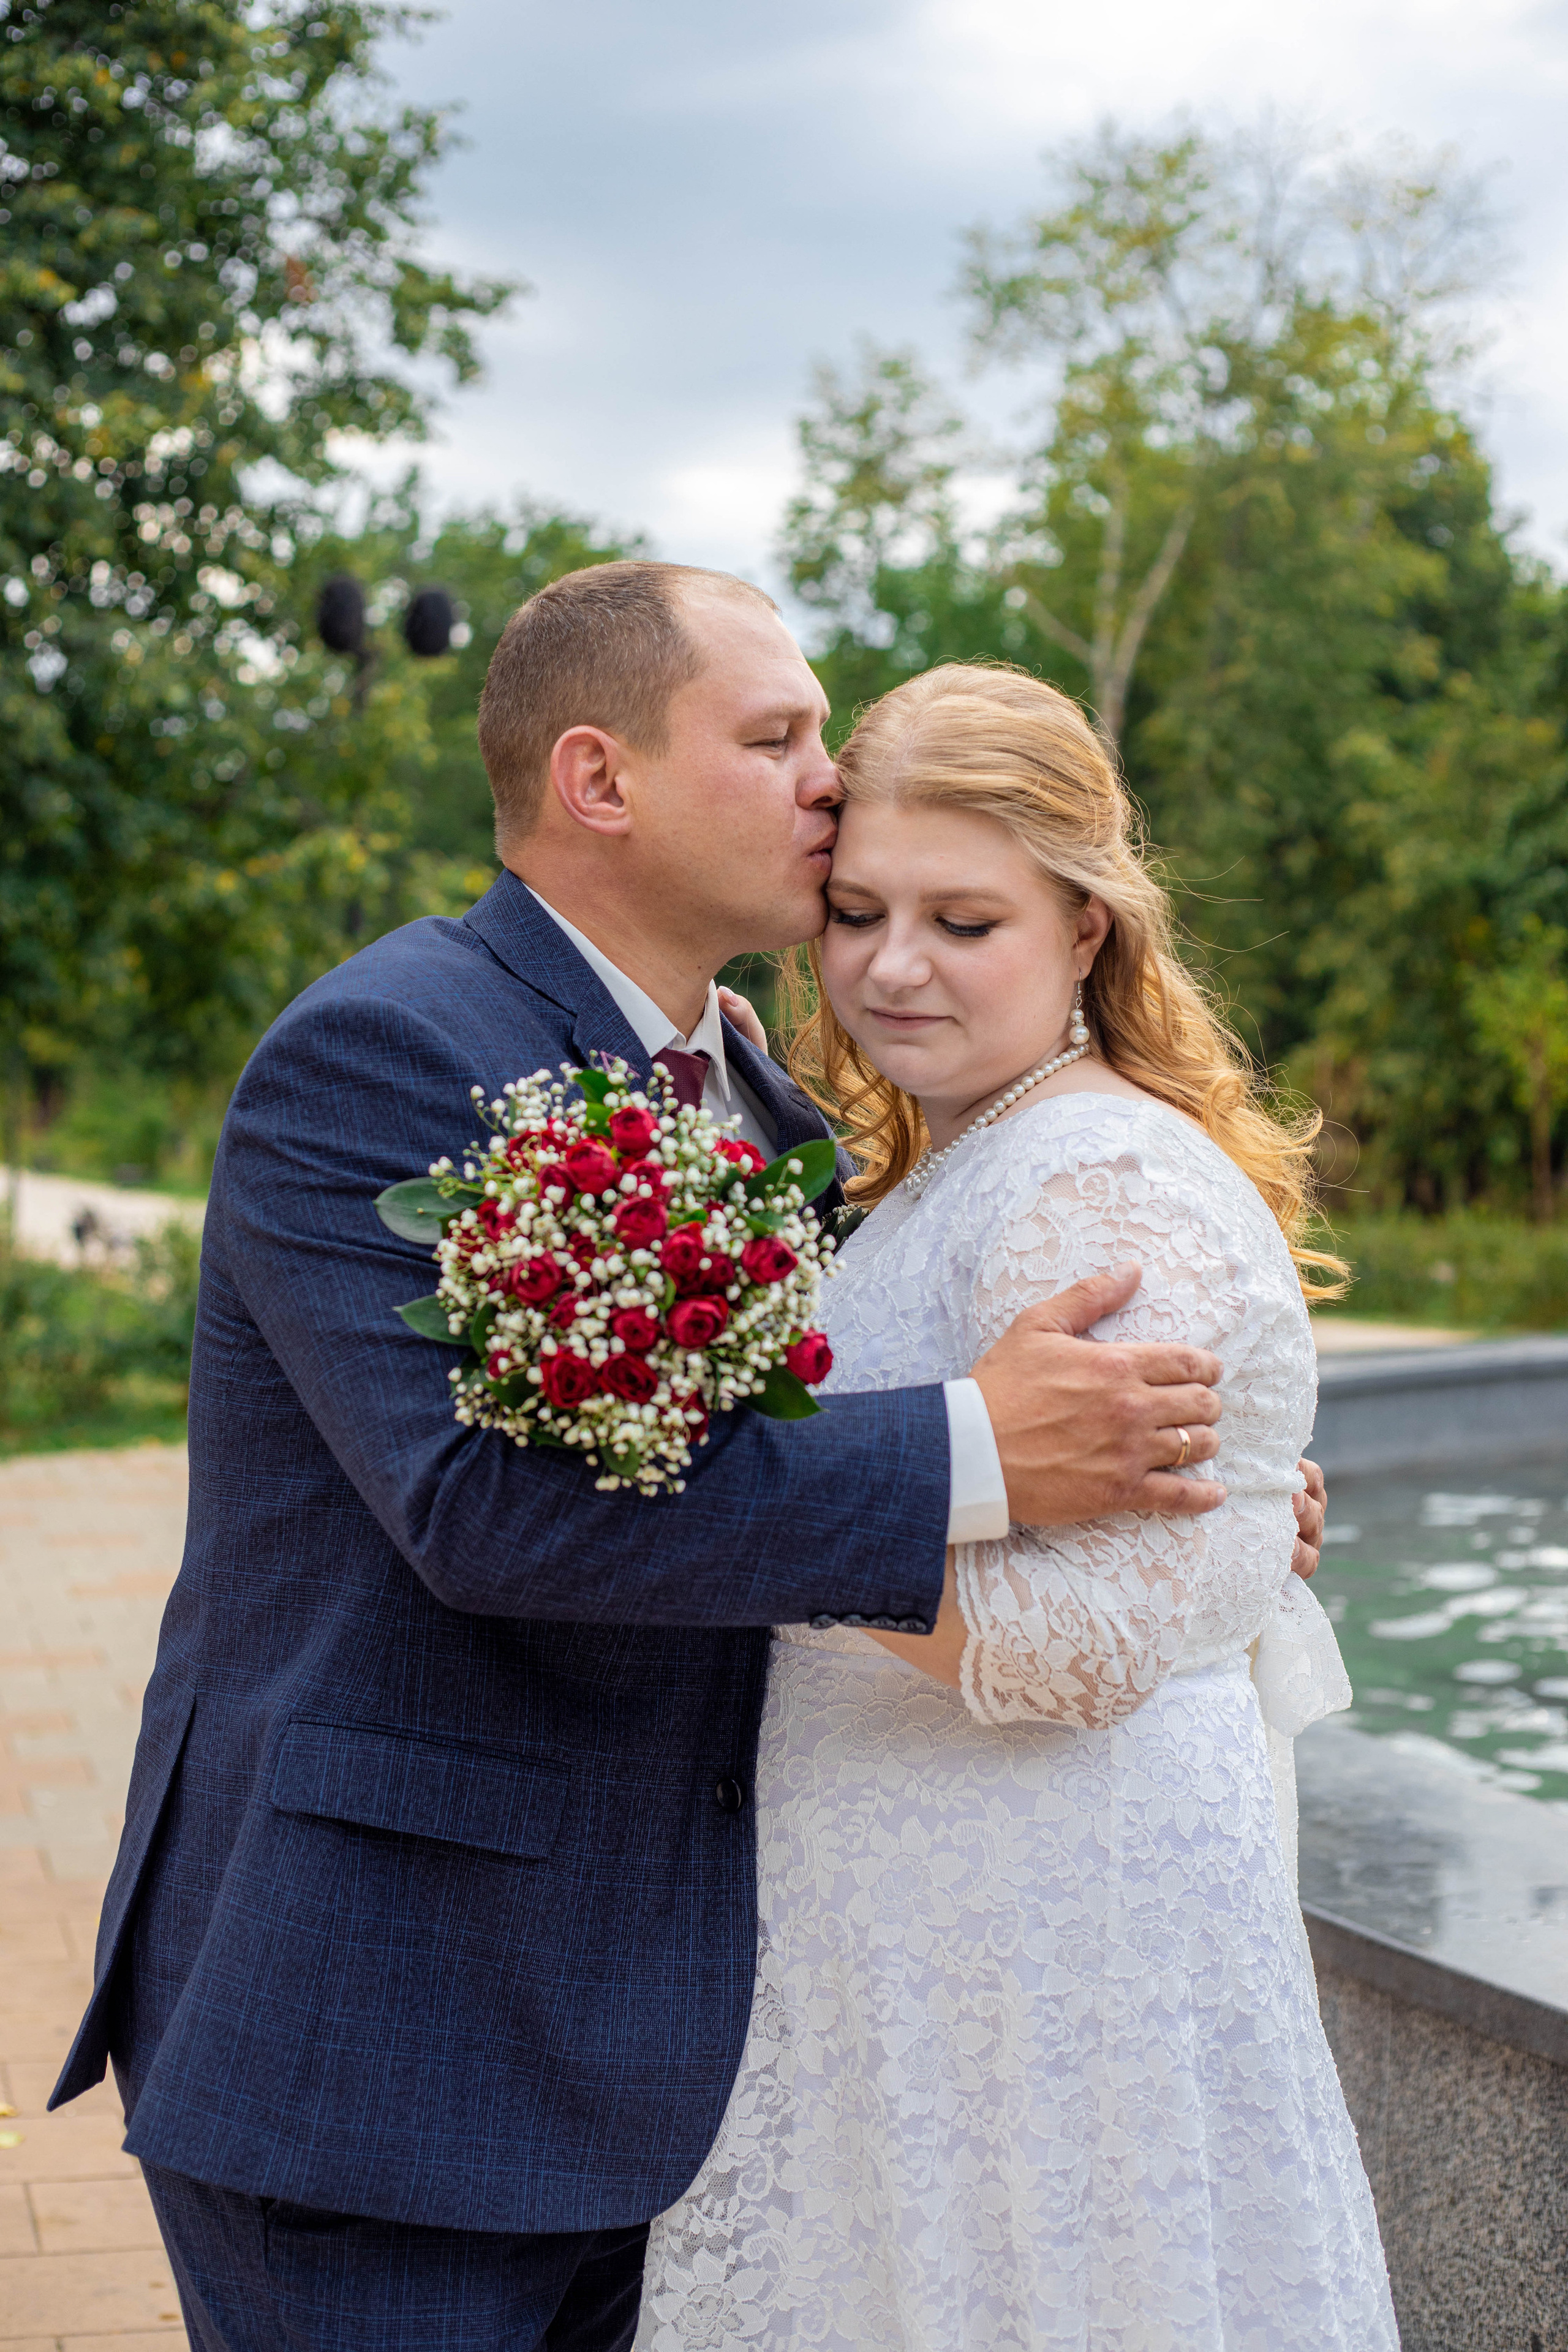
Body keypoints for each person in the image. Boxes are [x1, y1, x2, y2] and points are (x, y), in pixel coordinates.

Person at [47, 567, 1323, 2352]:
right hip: (391, 2029)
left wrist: (1212, 1518)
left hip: (667, 2042)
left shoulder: (770, 1104)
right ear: (600, 778)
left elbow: (771, 1453)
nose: (826, 775)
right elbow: (488, 1510)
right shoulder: (386, 1055)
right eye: (778, 734)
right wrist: (989, 1454)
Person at [636, 663, 1395, 2350]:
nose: (894, 966)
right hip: (926, 1919)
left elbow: (1076, 1646)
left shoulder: (1096, 1182)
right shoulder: (958, 1155)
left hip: (1042, 1939)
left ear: (1087, 934)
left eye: (963, 921)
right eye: (858, 912)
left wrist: (712, 1506)